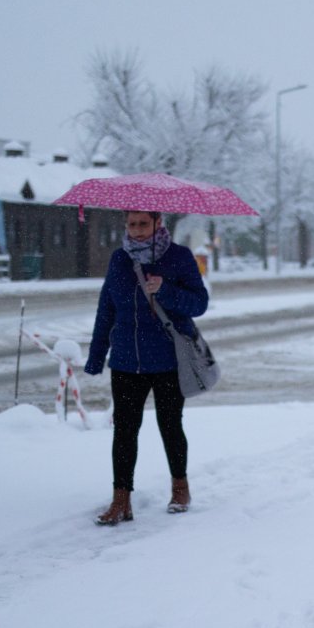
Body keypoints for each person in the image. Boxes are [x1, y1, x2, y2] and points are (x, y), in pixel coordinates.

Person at [85, 210, 209, 525]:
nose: (137, 230)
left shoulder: (179, 257)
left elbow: (200, 303)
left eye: (143, 223)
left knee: (170, 425)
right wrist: (97, 354)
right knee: (124, 431)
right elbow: (106, 308)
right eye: (131, 224)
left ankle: (180, 488)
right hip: (127, 360)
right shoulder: (119, 260)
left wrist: (164, 289)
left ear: (158, 223)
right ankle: (121, 500)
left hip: (168, 360)